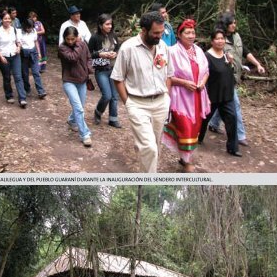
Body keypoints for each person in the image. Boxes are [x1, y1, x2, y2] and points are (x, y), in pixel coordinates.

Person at [111, 11, 173, 173]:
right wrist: (128, 103)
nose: (159, 36)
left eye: (161, 32)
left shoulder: (163, 47)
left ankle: (146, 162)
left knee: (155, 145)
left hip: (160, 103)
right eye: (156, 33)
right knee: (149, 148)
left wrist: (167, 96)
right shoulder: (128, 48)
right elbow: (118, 78)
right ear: (144, 30)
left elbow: (169, 74)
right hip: (137, 104)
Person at [208, 12, 265, 146]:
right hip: (223, 78)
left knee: (220, 103)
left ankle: (213, 124)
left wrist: (258, 64)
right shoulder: (219, 39)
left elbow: (245, 51)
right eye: (232, 23)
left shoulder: (237, 36)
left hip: (234, 77)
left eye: (235, 22)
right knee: (235, 105)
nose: (234, 25)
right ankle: (240, 135)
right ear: (225, 24)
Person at [162, 19, 211, 173]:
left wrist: (202, 82)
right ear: (179, 35)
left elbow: (206, 71)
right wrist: (183, 83)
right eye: (187, 33)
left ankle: (184, 157)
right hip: (180, 97)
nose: (191, 36)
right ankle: (186, 161)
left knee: (195, 127)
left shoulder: (199, 51)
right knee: (185, 126)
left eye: (193, 33)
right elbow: (166, 75)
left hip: (197, 95)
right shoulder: (172, 52)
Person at [198, 28, 242, 157]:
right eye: (217, 38)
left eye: (222, 38)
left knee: (232, 119)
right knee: (204, 120)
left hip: (227, 95)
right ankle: (197, 139)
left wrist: (231, 63)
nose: (220, 41)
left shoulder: (227, 56)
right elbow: (203, 75)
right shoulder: (207, 56)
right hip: (212, 96)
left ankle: (233, 148)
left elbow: (229, 73)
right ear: (212, 41)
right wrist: (205, 96)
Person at [58, 26, 93, 147]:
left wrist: (88, 69)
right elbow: (73, 58)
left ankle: (72, 120)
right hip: (69, 81)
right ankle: (85, 135)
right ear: (64, 38)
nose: (71, 41)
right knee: (78, 108)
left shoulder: (83, 44)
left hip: (82, 80)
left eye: (73, 39)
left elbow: (88, 57)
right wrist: (78, 43)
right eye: (68, 39)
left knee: (80, 106)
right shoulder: (62, 48)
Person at [88, 13, 121, 128]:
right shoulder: (94, 37)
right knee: (107, 95)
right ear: (100, 25)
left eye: (111, 24)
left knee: (114, 96)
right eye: (107, 24)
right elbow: (88, 54)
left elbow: (118, 48)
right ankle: (98, 112)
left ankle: (113, 119)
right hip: (101, 70)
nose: (110, 26)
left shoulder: (114, 36)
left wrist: (115, 53)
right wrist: (99, 54)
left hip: (113, 68)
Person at [0, 13, 27, 107]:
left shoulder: (14, 29)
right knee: (7, 77)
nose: (7, 20)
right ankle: (9, 95)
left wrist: (19, 47)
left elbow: (18, 41)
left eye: (8, 18)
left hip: (15, 55)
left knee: (18, 76)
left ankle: (22, 98)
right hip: (4, 57)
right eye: (5, 18)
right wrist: (1, 57)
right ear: (1, 20)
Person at [18, 18, 47, 99]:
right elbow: (18, 43)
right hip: (23, 54)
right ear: (24, 26)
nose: (29, 29)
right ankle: (27, 89)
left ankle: (41, 91)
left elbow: (35, 42)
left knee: (36, 72)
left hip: (33, 53)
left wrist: (39, 53)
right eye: (28, 27)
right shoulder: (19, 32)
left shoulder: (34, 31)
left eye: (31, 27)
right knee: (25, 73)